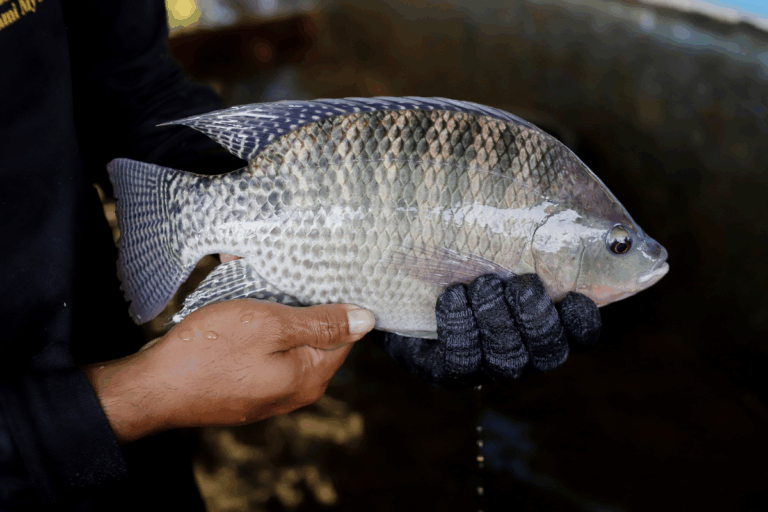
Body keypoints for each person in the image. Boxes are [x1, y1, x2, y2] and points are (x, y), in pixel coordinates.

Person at [0, 1, 601, 509]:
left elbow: (127, 82)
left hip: (129, 449)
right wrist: (129, 401)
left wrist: (366, 263)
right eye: (617, 245)